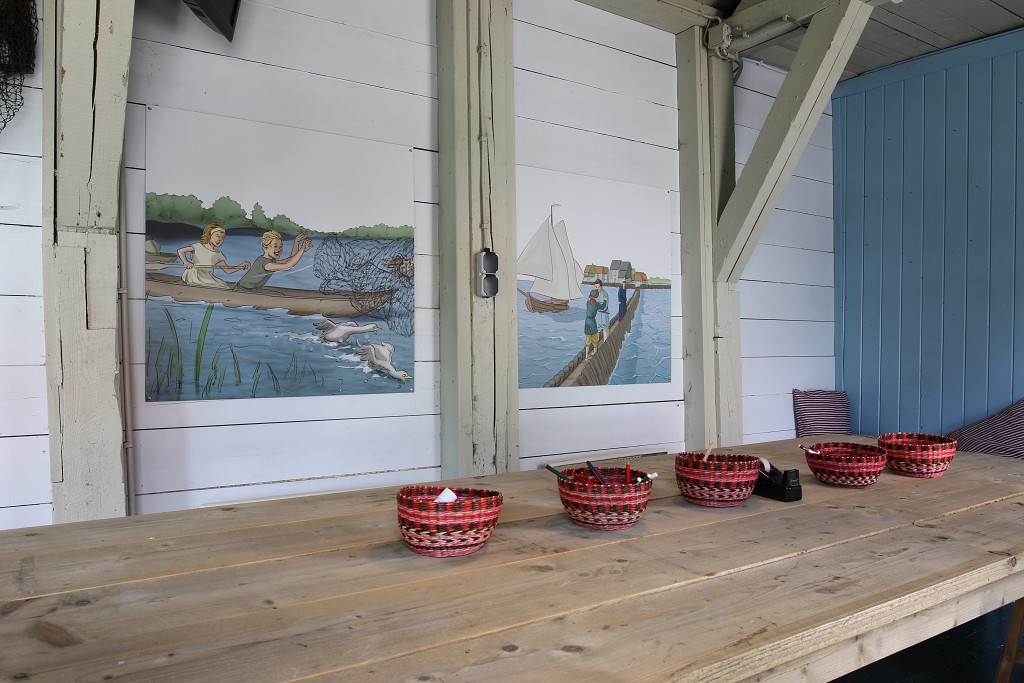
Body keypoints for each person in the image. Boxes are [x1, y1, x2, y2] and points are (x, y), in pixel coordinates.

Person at [176, 223, 250, 289]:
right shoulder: (198, 246)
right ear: (209, 235)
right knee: (220, 287)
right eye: (217, 236)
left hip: (207, 277)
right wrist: (186, 263)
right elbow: (180, 251)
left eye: (222, 238)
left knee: (224, 286)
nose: (219, 239)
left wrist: (241, 266)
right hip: (194, 275)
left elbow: (228, 270)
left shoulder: (218, 254)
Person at [234, 230, 312, 292]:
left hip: (254, 290)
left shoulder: (268, 260)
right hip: (243, 291)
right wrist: (302, 250)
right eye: (275, 246)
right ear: (265, 248)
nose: (279, 249)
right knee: (280, 296)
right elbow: (287, 266)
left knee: (281, 295)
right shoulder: (266, 264)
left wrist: (296, 243)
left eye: (281, 247)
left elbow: (289, 260)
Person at [583, 288, 607, 360]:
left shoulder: (588, 302)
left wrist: (595, 300)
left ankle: (586, 356)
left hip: (587, 321)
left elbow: (590, 299)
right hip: (592, 321)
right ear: (596, 296)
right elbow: (602, 307)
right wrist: (605, 300)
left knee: (588, 338)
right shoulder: (596, 303)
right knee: (594, 338)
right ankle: (594, 352)